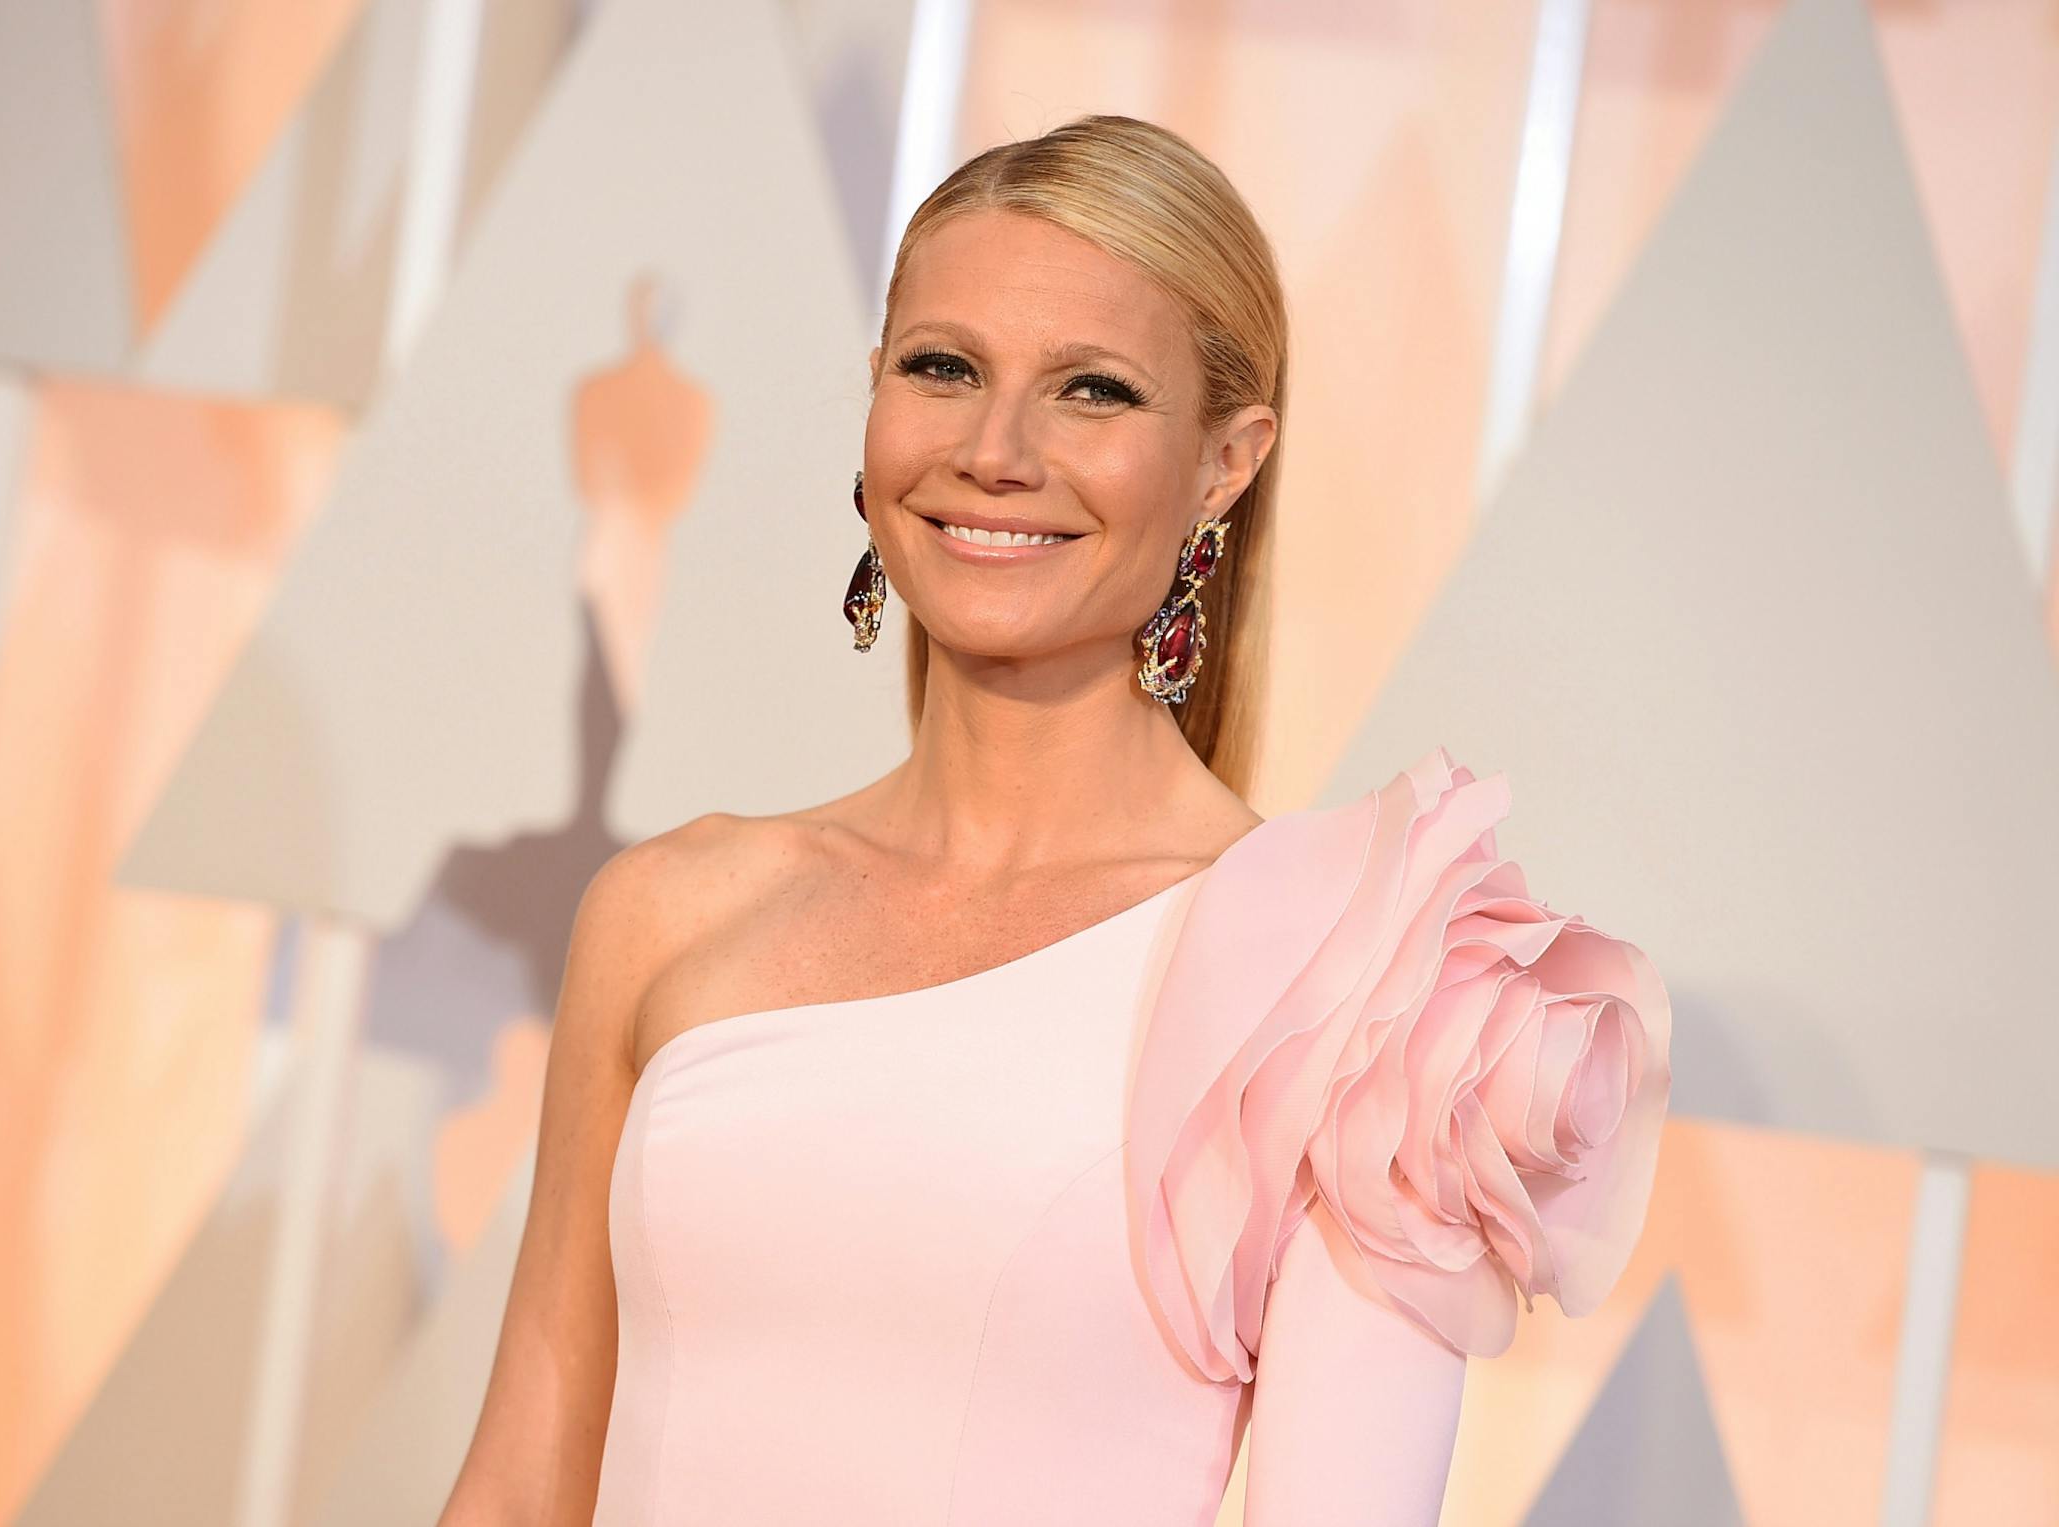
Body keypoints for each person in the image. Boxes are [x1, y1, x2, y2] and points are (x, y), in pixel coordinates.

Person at [439, 113, 1672, 1526]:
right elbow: (522, 1479)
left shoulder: (1354, 983)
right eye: (942, 368)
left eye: (1093, 391)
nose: (995, 449)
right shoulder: (670, 909)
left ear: (1225, 462)